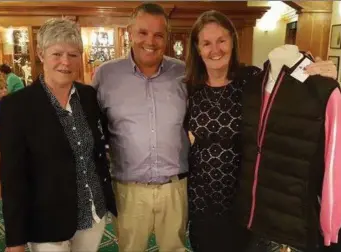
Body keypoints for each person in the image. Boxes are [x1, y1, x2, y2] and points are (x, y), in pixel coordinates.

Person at [184, 10, 338, 252]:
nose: (215, 49)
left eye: (222, 40)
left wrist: (321, 73)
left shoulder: (253, 81)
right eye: (206, 43)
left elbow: (292, 98)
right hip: (202, 201)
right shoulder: (190, 90)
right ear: (197, 48)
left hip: (246, 203)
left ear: (233, 42)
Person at [0, 18, 116, 252]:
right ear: (41, 54)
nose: (66, 62)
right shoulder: (18, 106)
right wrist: (15, 241)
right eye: (57, 54)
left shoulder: (88, 96)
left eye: (73, 55)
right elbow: (12, 179)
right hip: (47, 223)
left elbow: (99, 149)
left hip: (92, 215)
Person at [92, 3, 189, 252]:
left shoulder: (184, 73)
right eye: (143, 32)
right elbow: (93, 127)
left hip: (175, 188)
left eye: (158, 35)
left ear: (166, 38)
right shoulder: (106, 75)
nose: (151, 41)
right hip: (128, 190)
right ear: (129, 33)